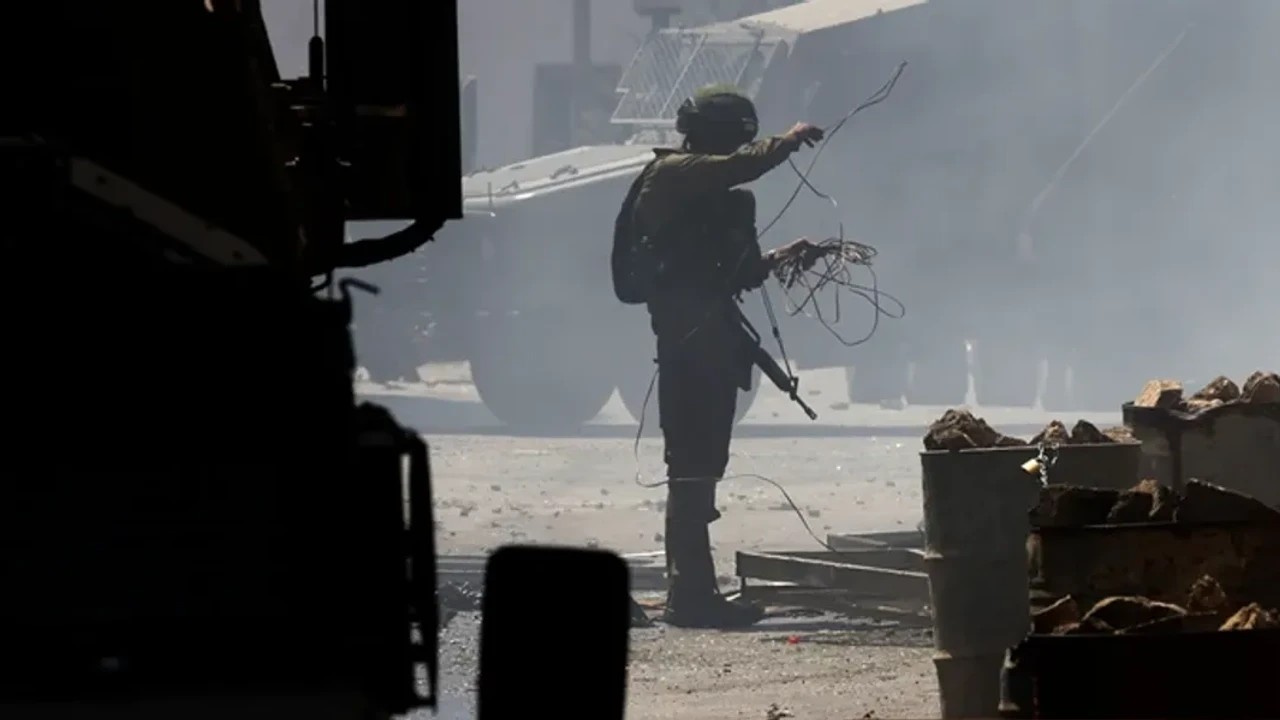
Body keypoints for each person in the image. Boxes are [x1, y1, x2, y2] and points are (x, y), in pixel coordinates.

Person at [626, 84, 825, 628]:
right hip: (688, 347)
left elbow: (741, 272)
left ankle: (693, 590)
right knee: (691, 468)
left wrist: (785, 256)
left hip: (714, 345)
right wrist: (788, 141)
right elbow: (740, 166)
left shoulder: (717, 199)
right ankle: (690, 597)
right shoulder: (674, 173)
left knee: (703, 465)